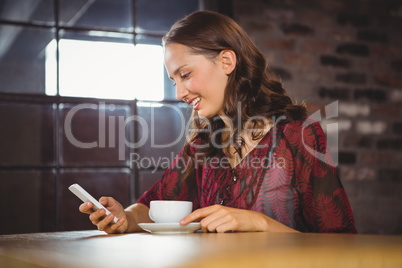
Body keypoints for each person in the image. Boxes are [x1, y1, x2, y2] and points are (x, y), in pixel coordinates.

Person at [79, 10, 357, 234]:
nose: (179, 93)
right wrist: (124, 218)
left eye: (185, 75)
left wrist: (259, 223)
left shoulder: (300, 135)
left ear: (226, 61)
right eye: (173, 81)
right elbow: (154, 206)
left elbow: (340, 243)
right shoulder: (201, 145)